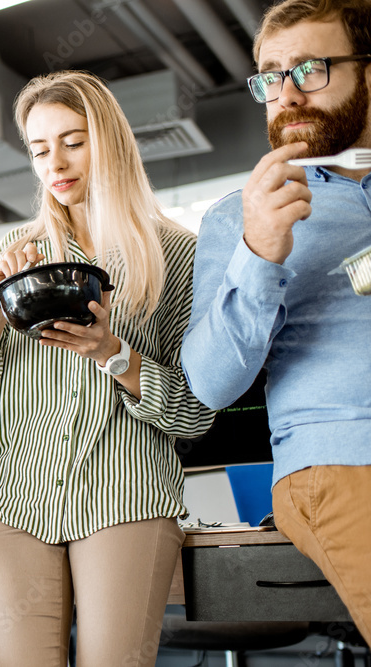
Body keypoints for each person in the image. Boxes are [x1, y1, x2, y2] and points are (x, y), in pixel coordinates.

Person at [0, 71, 215, 667]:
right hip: (17, 499)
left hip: (126, 495)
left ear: (109, 142)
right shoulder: (21, 250)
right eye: (40, 150)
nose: (55, 163)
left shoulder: (177, 255)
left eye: (73, 141)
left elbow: (194, 410)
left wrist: (110, 354)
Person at [182, 0, 371, 641]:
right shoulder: (237, 217)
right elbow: (210, 384)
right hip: (348, 461)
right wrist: (259, 251)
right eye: (270, 75)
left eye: (310, 68)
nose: (284, 92)